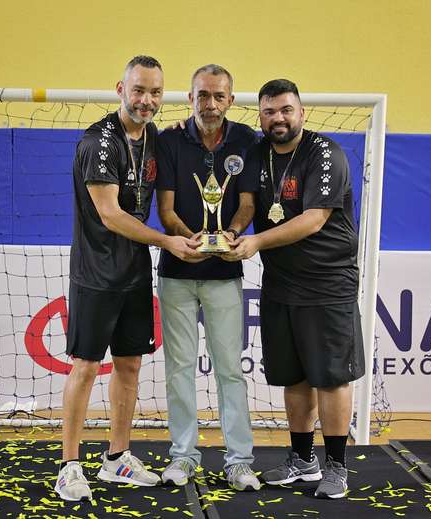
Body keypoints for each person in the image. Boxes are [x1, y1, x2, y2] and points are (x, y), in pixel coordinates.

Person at [55, 55, 201, 502]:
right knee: (84, 367)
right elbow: (111, 214)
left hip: (134, 274)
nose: (147, 100)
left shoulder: (154, 137)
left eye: (155, 92)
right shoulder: (99, 143)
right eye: (138, 90)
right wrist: (166, 241)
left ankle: (117, 458)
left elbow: (182, 134)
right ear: (121, 89)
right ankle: (69, 464)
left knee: (130, 365)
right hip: (96, 275)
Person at [222, 79, 365, 499]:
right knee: (294, 376)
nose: (278, 118)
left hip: (327, 283)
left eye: (286, 109)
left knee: (332, 377)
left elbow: (315, 218)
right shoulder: (257, 153)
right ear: (260, 116)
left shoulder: (326, 154)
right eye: (269, 111)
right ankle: (303, 459)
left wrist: (256, 242)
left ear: (301, 111)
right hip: (281, 282)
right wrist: (233, 232)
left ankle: (337, 467)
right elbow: (248, 205)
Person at [155, 64, 261, 491]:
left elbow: (249, 203)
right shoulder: (168, 140)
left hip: (225, 273)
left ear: (231, 100)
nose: (211, 104)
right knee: (179, 368)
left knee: (230, 370)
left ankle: (238, 460)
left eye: (219, 96)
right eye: (203, 96)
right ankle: (183, 456)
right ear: (190, 97)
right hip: (178, 271)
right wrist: (191, 239)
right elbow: (164, 210)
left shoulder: (247, 140)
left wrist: (229, 235)